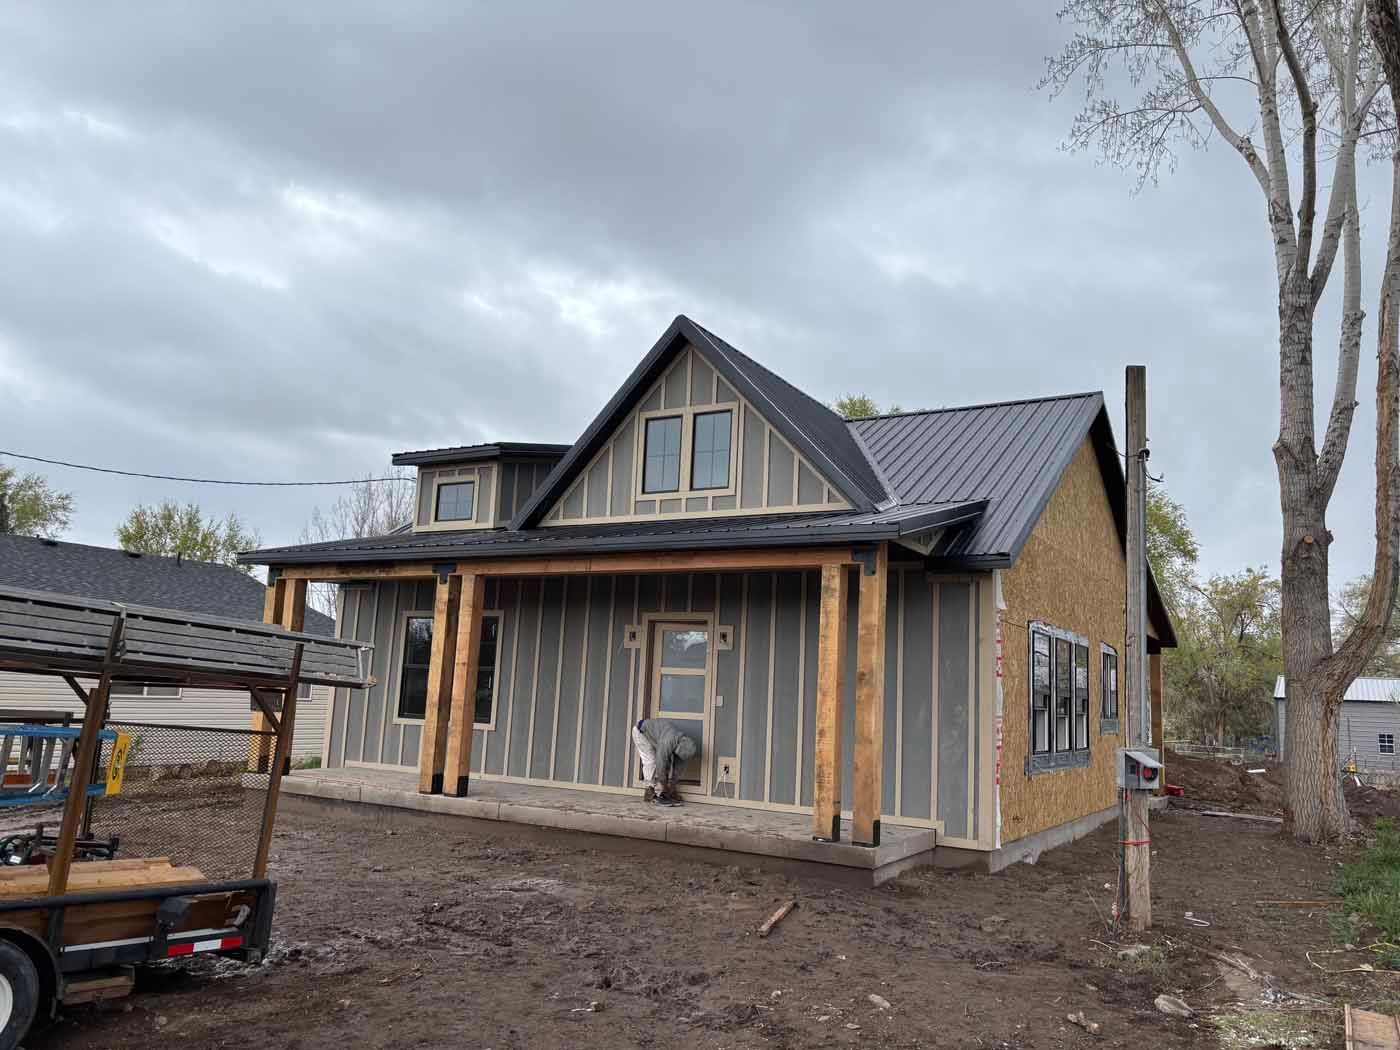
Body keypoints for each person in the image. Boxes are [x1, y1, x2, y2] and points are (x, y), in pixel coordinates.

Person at [631, 717, 697, 805]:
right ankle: (649, 790)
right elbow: (661, 763)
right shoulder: (667, 741)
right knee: (651, 761)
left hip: (657, 735)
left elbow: (679, 767)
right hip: (641, 731)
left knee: (666, 760)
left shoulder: (686, 746)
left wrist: (672, 785)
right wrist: (663, 784)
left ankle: (665, 791)